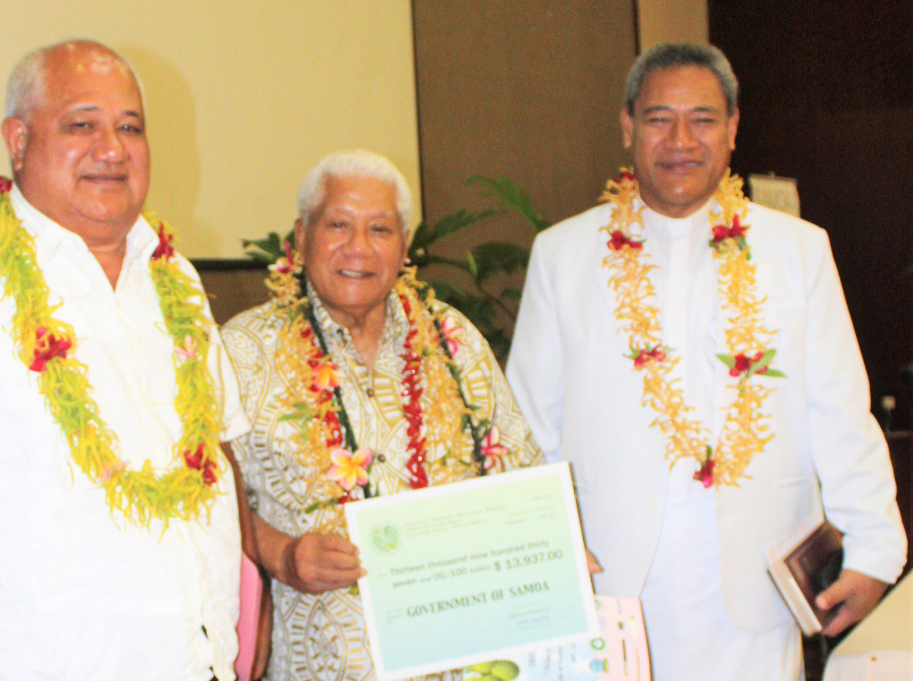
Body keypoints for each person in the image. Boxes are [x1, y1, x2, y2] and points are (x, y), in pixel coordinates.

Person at [0, 40, 253, 680]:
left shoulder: (172, 278)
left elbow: (215, 466)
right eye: (81, 125)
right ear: (17, 141)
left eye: (129, 127)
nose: (112, 148)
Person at [506, 43, 907, 680]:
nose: (681, 141)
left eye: (704, 119)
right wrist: (542, 545)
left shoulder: (798, 252)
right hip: (608, 572)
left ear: (734, 129)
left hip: (754, 575)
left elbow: (839, 410)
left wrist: (876, 547)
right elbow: (528, 424)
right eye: (660, 119)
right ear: (628, 127)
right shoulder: (564, 256)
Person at [221, 150, 543, 680]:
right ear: (302, 237)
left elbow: (519, 476)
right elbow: (208, 507)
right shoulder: (242, 351)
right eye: (338, 226)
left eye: (380, 229)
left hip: (463, 661)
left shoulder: (454, 339)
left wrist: (556, 549)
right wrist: (284, 555)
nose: (359, 249)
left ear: (404, 246)